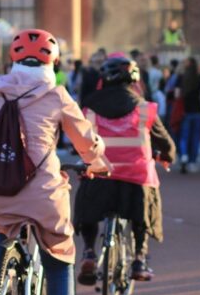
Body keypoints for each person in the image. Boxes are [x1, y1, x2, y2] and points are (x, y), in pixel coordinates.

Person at [0, 28, 109, 295]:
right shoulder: (56, 94)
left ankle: (1, 276)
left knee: (5, 224)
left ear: (13, 60)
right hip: (42, 191)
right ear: (54, 62)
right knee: (60, 257)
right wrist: (96, 162)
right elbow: (85, 140)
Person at [74, 56, 176, 283]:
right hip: (135, 178)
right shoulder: (145, 108)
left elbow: (78, 139)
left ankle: (89, 251)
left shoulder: (89, 106)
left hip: (100, 175)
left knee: (87, 204)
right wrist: (166, 156)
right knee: (143, 209)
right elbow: (167, 144)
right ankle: (139, 259)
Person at [176, 57, 200, 173]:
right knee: (195, 137)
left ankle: (183, 156)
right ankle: (192, 161)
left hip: (185, 110)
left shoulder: (181, 78)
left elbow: (177, 95)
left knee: (184, 136)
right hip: (198, 110)